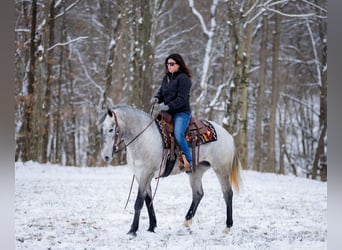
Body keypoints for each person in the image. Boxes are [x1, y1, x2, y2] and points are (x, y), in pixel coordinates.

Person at [150, 53, 193, 172]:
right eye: (167, 64)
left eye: (172, 64)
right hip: (167, 112)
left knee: (178, 134)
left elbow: (181, 99)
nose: (169, 66)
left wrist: (167, 106)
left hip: (181, 113)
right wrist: (157, 98)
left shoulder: (184, 79)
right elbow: (161, 93)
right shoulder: (166, 78)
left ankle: (189, 161)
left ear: (179, 65)